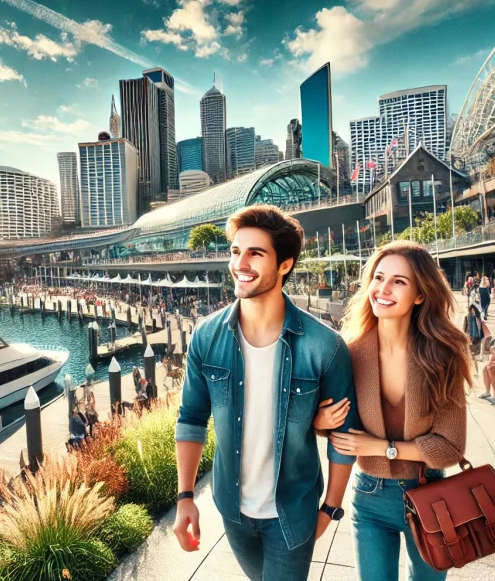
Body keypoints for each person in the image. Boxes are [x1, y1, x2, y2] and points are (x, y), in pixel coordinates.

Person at [174, 204, 358, 581]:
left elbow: (344, 438)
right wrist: (185, 497)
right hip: (232, 509)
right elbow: (191, 419)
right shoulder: (207, 337)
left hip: (292, 512)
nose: (241, 263)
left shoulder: (326, 346)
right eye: (235, 251)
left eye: (256, 253)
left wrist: (331, 508)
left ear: (285, 265)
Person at [314, 240, 471, 581]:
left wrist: (381, 447)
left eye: (399, 281)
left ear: (420, 294)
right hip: (369, 499)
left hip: (430, 495)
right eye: (379, 277)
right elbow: (331, 418)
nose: (383, 289)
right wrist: (321, 422)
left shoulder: (442, 356)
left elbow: (451, 446)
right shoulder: (348, 354)